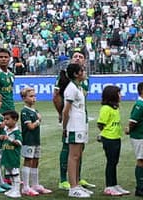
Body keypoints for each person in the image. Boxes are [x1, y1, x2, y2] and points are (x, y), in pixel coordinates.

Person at [55, 51, 93, 191]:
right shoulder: (66, 81)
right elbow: (57, 97)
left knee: (78, 150)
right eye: (75, 56)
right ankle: (66, 181)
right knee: (70, 150)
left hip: (82, 118)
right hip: (73, 121)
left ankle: (76, 179)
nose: (77, 58)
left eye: (80, 57)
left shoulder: (83, 81)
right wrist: (62, 117)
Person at [61, 62, 90, 199]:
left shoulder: (77, 87)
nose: (84, 72)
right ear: (76, 74)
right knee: (73, 156)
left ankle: (76, 184)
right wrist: (65, 127)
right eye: (82, 70)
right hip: (74, 126)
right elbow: (66, 111)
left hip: (80, 125)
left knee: (78, 155)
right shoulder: (71, 88)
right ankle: (72, 187)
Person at [96, 84, 127, 197]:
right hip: (109, 138)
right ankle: (109, 186)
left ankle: (114, 184)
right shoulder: (106, 109)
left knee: (114, 162)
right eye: (119, 93)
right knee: (111, 162)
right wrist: (105, 134)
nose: (121, 95)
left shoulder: (115, 108)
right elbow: (101, 124)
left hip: (116, 137)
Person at [20, 86, 48, 196]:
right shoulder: (24, 111)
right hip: (28, 140)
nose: (34, 98)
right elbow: (30, 126)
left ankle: (35, 184)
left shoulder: (35, 110)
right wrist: (38, 121)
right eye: (31, 96)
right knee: (28, 161)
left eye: (34, 96)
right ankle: (25, 187)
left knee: (36, 161)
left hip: (36, 140)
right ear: (24, 98)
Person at [0, 110, 24, 198]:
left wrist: (9, 139)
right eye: (4, 119)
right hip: (6, 156)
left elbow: (19, 143)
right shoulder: (6, 130)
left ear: (15, 120)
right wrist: (2, 137)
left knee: (15, 173)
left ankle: (17, 191)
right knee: (9, 174)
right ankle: (13, 188)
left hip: (13, 156)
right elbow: (6, 139)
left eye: (7, 119)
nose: (5, 121)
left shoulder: (17, 132)